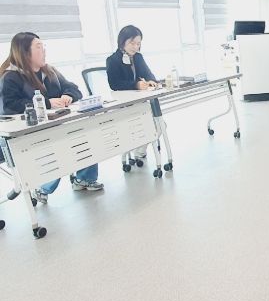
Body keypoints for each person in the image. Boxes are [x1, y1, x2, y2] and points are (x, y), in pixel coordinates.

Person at [0, 32, 103, 203]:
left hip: (56, 124)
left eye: (43, 46)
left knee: (84, 133)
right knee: (57, 147)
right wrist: (47, 103)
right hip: (28, 133)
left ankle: (84, 179)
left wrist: (68, 95)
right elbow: (9, 107)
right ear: (24, 52)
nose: (44, 50)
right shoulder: (11, 77)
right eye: (38, 47)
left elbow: (73, 88)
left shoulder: (49, 71)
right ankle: (41, 188)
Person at [106, 25, 157, 161]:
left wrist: (151, 81)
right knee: (146, 126)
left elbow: (148, 74)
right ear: (122, 42)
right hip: (124, 105)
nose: (135, 47)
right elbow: (115, 84)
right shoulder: (112, 60)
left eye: (138, 44)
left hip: (139, 102)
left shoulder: (138, 57)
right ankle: (137, 152)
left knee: (158, 124)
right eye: (132, 43)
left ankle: (139, 152)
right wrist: (136, 85)